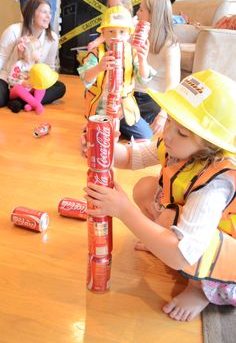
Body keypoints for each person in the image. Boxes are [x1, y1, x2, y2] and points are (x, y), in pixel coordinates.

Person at [83, 69, 236, 321]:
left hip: (221, 252)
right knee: (145, 187)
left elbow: (183, 253)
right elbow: (133, 156)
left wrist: (124, 212)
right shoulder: (179, 146)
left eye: (182, 132)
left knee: (176, 234)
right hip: (186, 231)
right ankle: (159, 241)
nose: (168, 134)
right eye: (170, 122)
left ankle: (200, 290)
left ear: (211, 145)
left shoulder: (216, 185)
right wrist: (101, 148)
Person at [78, 5, 155, 141]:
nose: (116, 36)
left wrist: (143, 61)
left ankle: (118, 128)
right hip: (100, 108)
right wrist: (99, 67)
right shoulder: (96, 53)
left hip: (124, 109)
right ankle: (97, 127)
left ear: (129, 34)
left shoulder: (132, 52)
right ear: (103, 33)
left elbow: (143, 79)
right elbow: (85, 78)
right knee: (100, 142)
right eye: (111, 32)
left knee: (146, 136)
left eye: (121, 32)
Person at [0, 0, 65, 113]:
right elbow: (1, 58)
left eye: (50, 13)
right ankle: (25, 101)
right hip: (9, 79)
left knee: (60, 88)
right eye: (44, 12)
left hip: (34, 82)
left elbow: (49, 66)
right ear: (31, 13)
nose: (49, 16)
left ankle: (21, 102)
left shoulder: (53, 38)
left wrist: (43, 81)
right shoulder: (13, 31)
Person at [134, 0, 181, 134]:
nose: (137, 13)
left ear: (153, 15)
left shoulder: (170, 44)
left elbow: (172, 83)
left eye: (141, 10)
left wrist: (163, 114)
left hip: (153, 99)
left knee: (147, 128)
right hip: (131, 94)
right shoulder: (136, 35)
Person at [8, 35, 45, 114]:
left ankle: (31, 105)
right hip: (15, 92)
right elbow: (10, 80)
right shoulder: (18, 65)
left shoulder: (36, 65)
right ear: (30, 52)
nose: (41, 52)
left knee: (42, 86)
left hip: (29, 91)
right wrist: (22, 82)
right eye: (38, 50)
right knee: (18, 88)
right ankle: (37, 105)